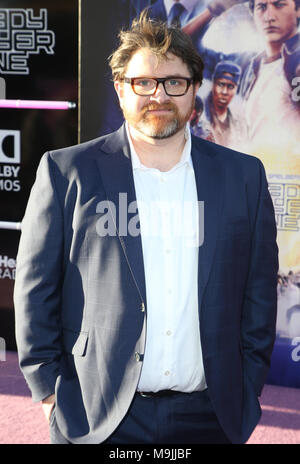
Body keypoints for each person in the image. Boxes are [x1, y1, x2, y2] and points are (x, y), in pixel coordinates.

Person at [14, 12, 278, 445]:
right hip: (97, 415)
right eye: (143, 83)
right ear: (120, 89)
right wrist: (49, 393)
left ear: (195, 88)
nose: (159, 95)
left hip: (211, 415)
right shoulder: (67, 172)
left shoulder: (243, 177)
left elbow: (259, 291)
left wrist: (247, 386)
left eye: (174, 82)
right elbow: (35, 289)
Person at [183, 0, 300, 152]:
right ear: (253, 14)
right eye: (262, 7)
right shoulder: (246, 66)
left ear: (297, 10)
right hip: (256, 168)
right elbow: (182, 47)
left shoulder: (296, 62)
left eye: (278, 5)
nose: (269, 16)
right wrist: (215, 9)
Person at [202, 60, 247, 149]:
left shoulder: (239, 124)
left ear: (236, 88)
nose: (224, 92)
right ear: (213, 84)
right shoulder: (198, 117)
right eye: (221, 84)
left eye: (230, 87)